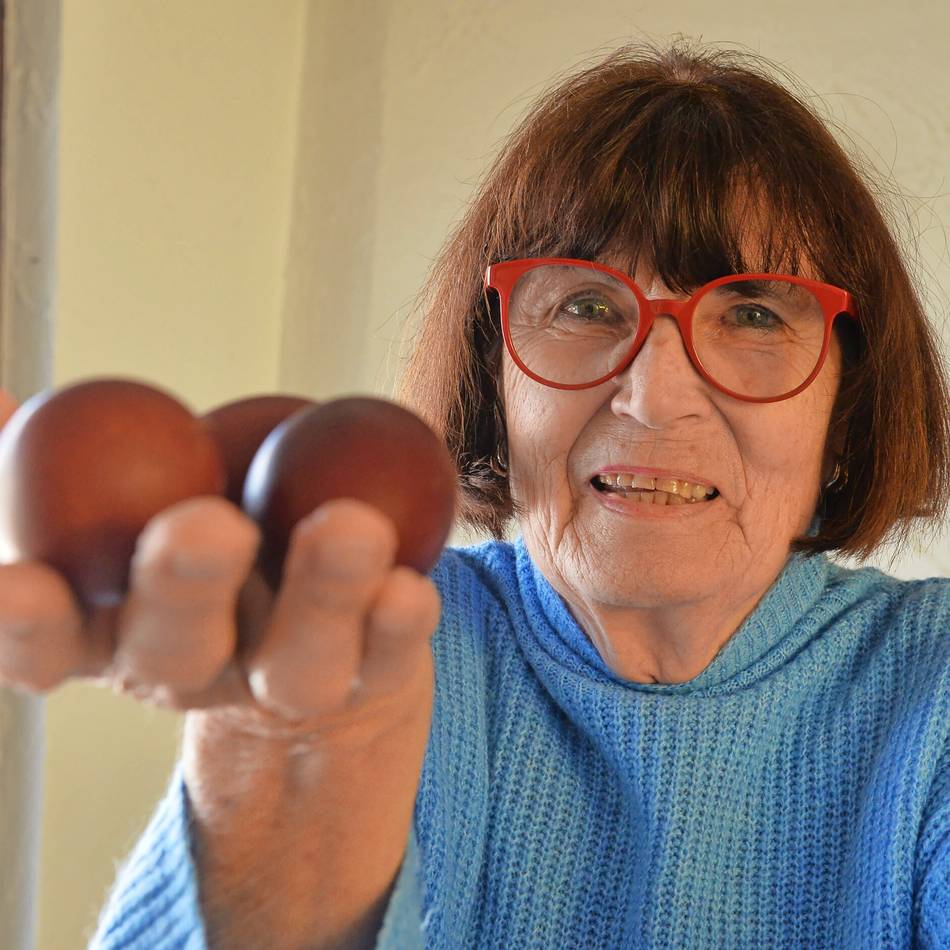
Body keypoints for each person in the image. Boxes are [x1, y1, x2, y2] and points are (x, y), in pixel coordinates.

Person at [2, 41, 949, 949]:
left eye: (752, 313)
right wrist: (270, 781)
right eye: (583, 304)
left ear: (848, 403)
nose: (654, 396)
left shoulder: (935, 684)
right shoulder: (359, 637)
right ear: (494, 379)